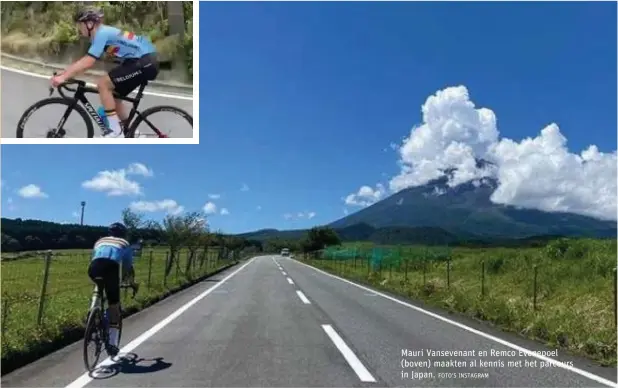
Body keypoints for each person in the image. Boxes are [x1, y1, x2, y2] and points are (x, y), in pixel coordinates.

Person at [50, 7, 160, 138]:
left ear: (89, 24)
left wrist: (64, 77)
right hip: (141, 61)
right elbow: (86, 60)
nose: (79, 29)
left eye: (80, 25)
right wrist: (65, 73)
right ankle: (131, 133)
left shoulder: (101, 33)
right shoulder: (102, 33)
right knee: (114, 97)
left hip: (144, 61)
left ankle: (115, 132)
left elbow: (89, 61)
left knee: (103, 84)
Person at [88, 222, 135, 356]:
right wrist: (129, 282)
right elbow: (127, 267)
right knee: (114, 305)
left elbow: (95, 257)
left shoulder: (100, 241)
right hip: (111, 268)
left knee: (98, 284)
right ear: (123, 233)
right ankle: (112, 344)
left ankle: (92, 311)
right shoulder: (124, 243)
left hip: (94, 267)